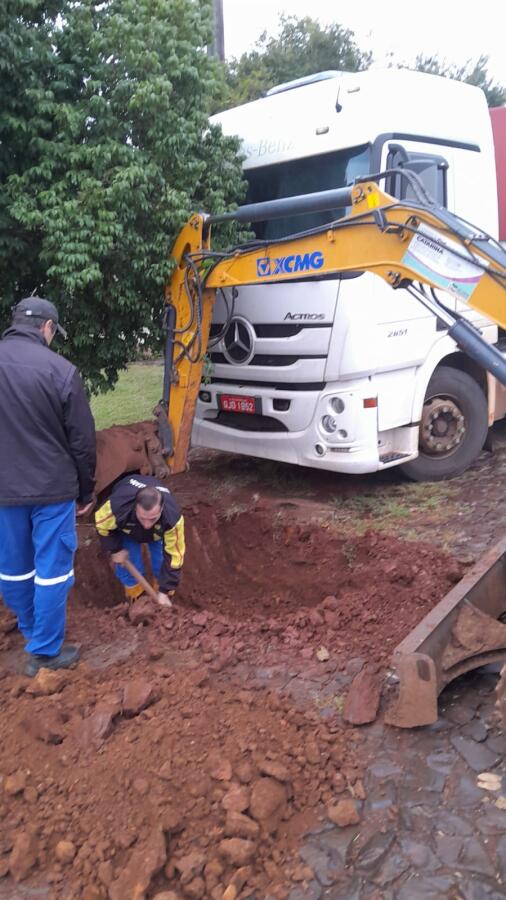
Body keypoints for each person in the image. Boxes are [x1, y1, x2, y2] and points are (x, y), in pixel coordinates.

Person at [0, 296, 96, 676]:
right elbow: (82, 442)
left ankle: (31, 631)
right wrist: (86, 491)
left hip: (5, 490)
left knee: (13, 568)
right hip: (52, 489)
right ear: (47, 328)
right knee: (53, 570)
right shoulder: (61, 371)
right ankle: (44, 650)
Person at [95, 474, 185, 606]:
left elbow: (175, 557)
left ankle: (164, 601)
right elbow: (101, 525)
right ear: (134, 507)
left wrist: (164, 590)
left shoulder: (172, 519)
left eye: (152, 519)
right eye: (143, 518)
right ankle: (136, 601)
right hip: (128, 530)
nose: (147, 524)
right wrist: (115, 549)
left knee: (162, 564)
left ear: (161, 510)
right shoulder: (117, 507)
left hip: (158, 533)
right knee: (131, 565)